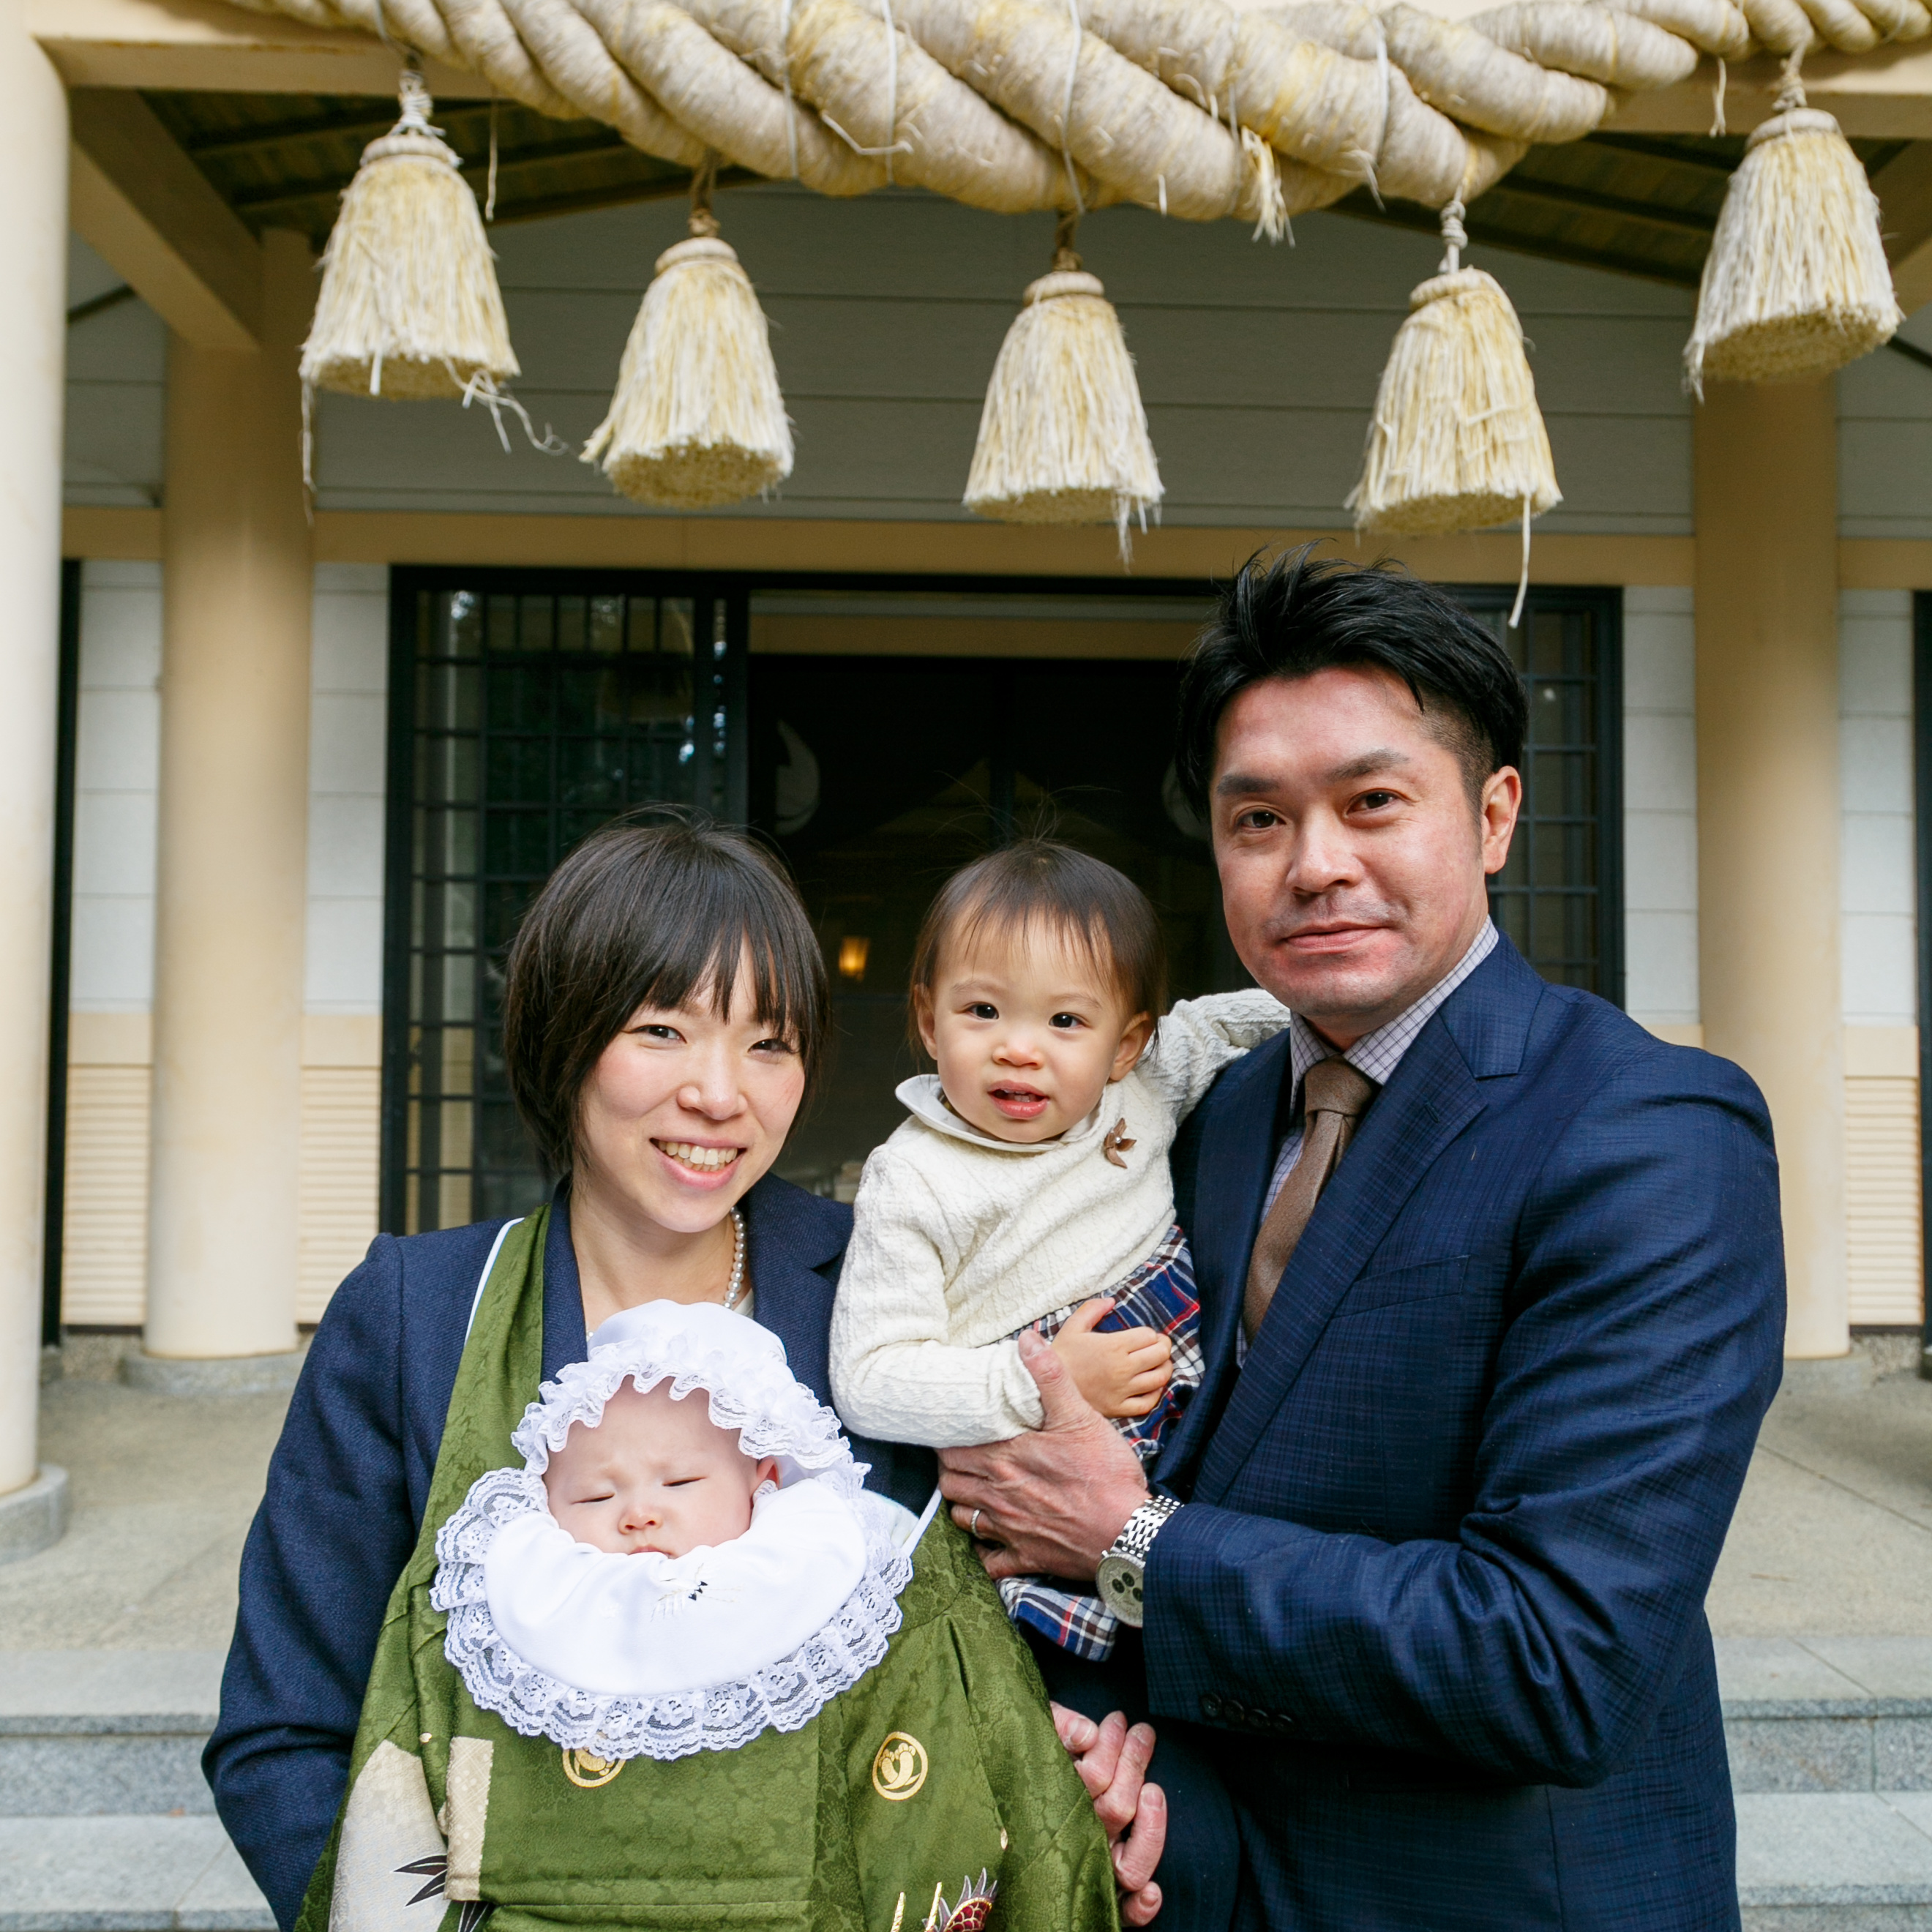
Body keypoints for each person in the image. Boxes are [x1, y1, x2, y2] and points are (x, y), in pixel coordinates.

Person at [935, 549, 1786, 1931]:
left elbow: (1555, 1657)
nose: (1316, 864)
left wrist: (1130, 1537)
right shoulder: (1212, 1120)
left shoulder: (1648, 1128)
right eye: (1258, 819)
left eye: (1374, 803)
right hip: (1217, 1878)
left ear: (1495, 814)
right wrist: (1115, 1763)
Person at [204, 815, 1167, 1931]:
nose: (722, 1095)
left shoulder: (892, 1303)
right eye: (663, 1029)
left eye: (770, 1042)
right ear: (565, 1033)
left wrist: (1077, 1760)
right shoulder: (420, 1315)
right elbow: (286, 1733)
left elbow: (1004, 1614)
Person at [309, 1294, 1115, 1932]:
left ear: (763, 1477)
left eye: (681, 1485)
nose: (638, 1515)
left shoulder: (842, 1575)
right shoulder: (519, 1597)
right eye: (596, 1493)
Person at [829, 841, 1288, 1928]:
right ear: (927, 1017)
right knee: (1070, 1747)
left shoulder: (1141, 1093)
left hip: (1186, 1470)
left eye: (1065, 1023)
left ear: (1127, 1040)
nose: (1020, 1053)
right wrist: (1042, 1381)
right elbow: (872, 1376)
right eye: (983, 1013)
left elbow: (1248, 1020)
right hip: (1037, 1500)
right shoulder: (916, 1176)